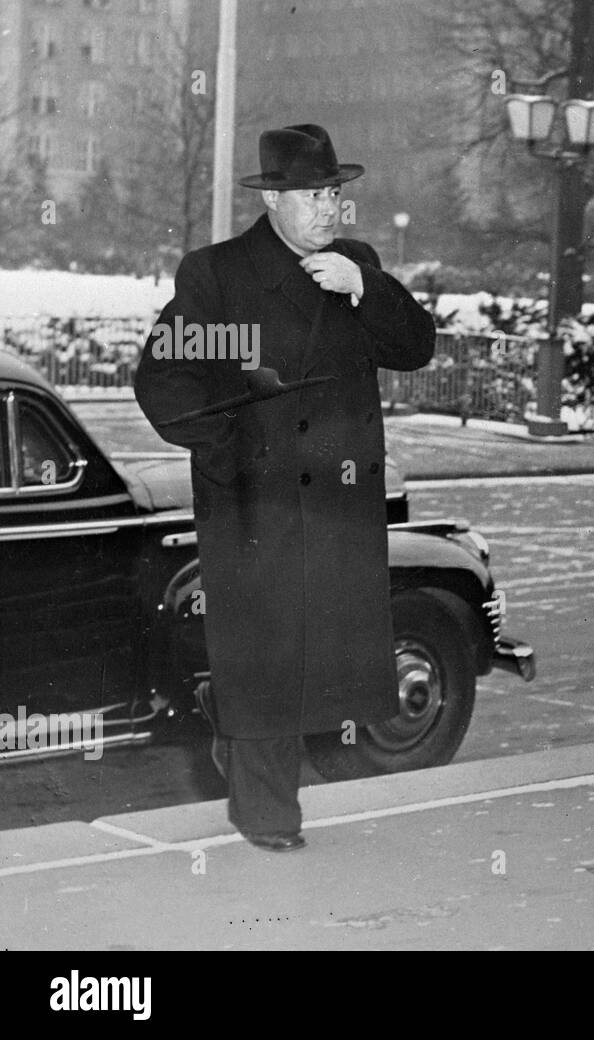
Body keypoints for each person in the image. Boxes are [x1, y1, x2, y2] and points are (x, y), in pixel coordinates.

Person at [134, 124, 435, 851]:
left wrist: (366, 289)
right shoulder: (219, 275)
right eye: (313, 195)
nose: (331, 208)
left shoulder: (355, 264)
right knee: (264, 658)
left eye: (336, 193)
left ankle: (239, 746)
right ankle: (265, 810)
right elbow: (162, 378)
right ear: (272, 198)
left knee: (326, 661)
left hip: (337, 504)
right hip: (257, 506)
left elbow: (415, 348)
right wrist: (235, 448)